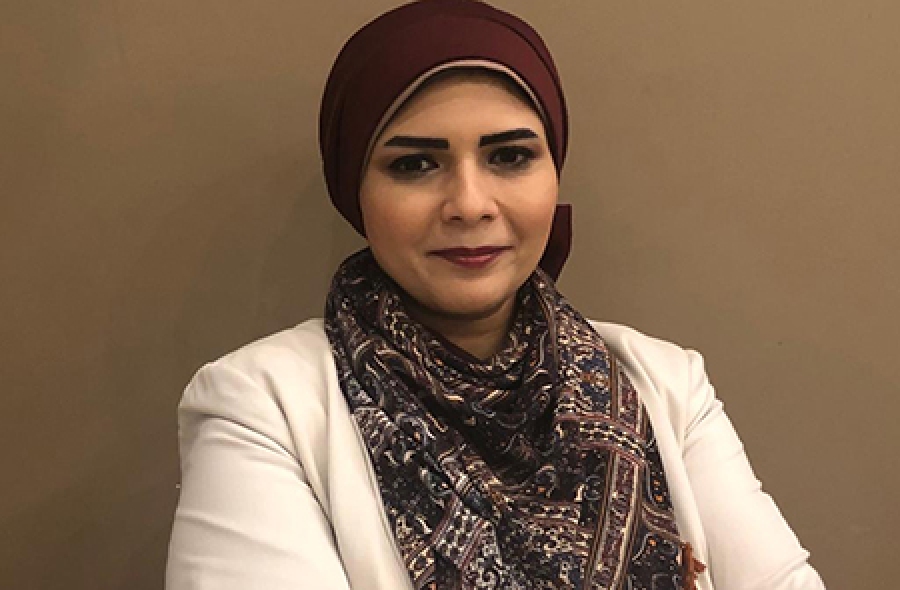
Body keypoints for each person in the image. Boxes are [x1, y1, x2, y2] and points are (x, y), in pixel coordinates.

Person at [165, 1, 827, 589]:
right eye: (414, 164)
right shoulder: (261, 407)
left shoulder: (667, 386)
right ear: (354, 192)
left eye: (509, 156)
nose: (470, 203)